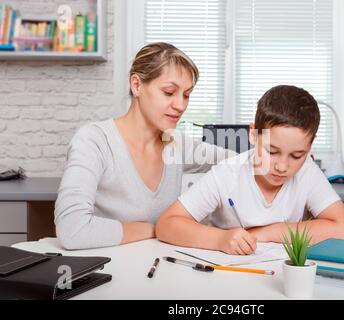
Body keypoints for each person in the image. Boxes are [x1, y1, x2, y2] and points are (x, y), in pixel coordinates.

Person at [55, 42, 235, 250]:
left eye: (186, 95)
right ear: (137, 85)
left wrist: (274, 148)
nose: (181, 105)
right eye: (169, 92)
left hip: (158, 268)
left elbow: (240, 162)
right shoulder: (94, 141)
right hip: (105, 270)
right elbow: (72, 230)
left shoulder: (176, 144)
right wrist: (160, 229)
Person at [156, 85, 344, 255]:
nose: (282, 166)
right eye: (272, 151)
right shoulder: (227, 173)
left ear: (310, 146)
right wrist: (221, 239)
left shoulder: (307, 172)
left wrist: (267, 232)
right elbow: (166, 225)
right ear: (253, 134)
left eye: (297, 155)